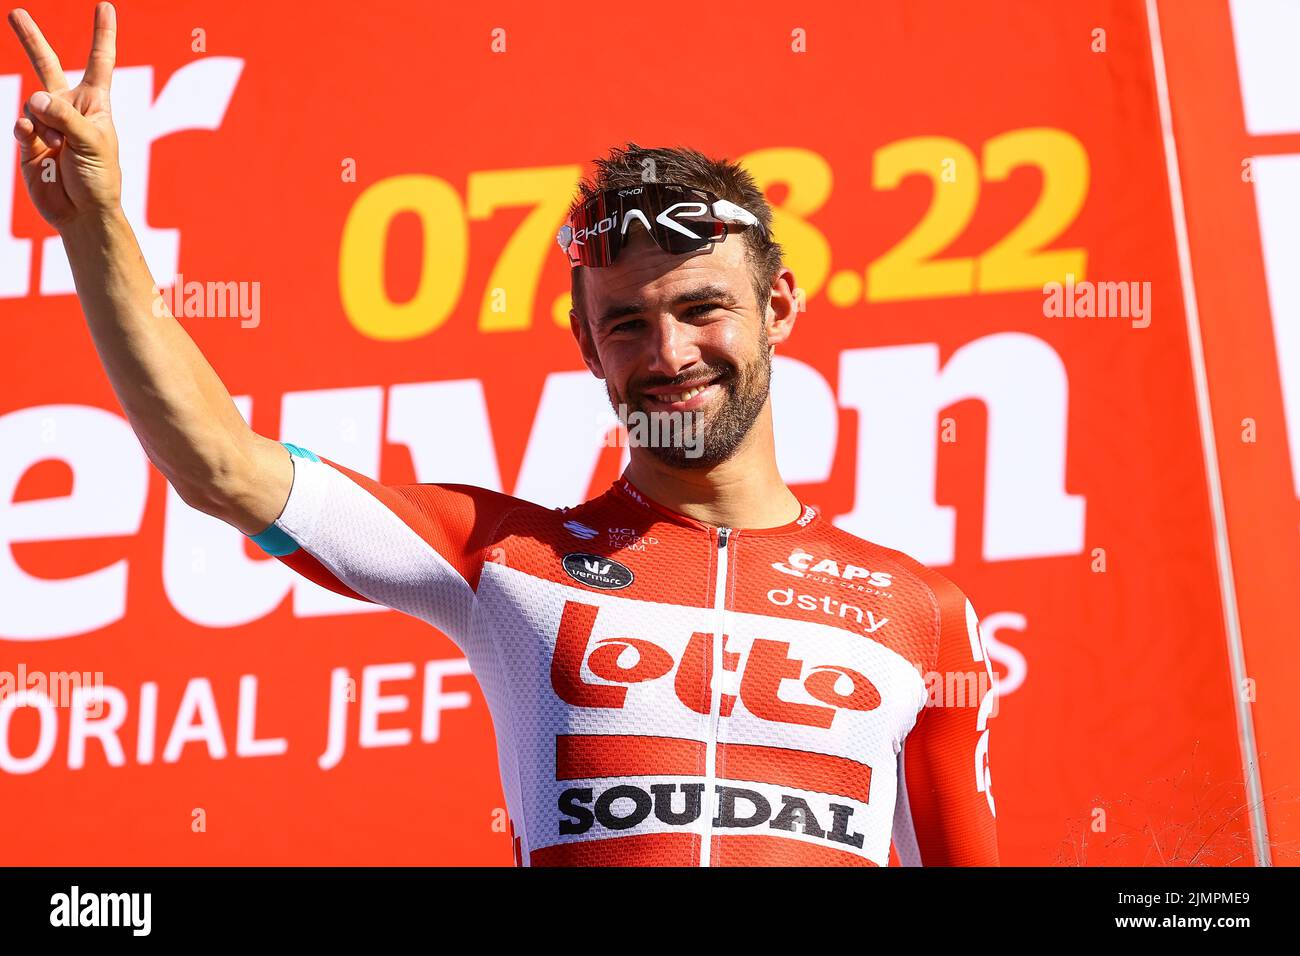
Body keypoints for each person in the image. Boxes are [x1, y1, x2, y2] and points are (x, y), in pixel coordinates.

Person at [10, 2, 1000, 866]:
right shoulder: (504, 556)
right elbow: (219, 463)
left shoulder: (923, 614)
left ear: (778, 303)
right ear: (585, 343)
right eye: (626, 322)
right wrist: (98, 226)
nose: (670, 351)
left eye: (705, 307)